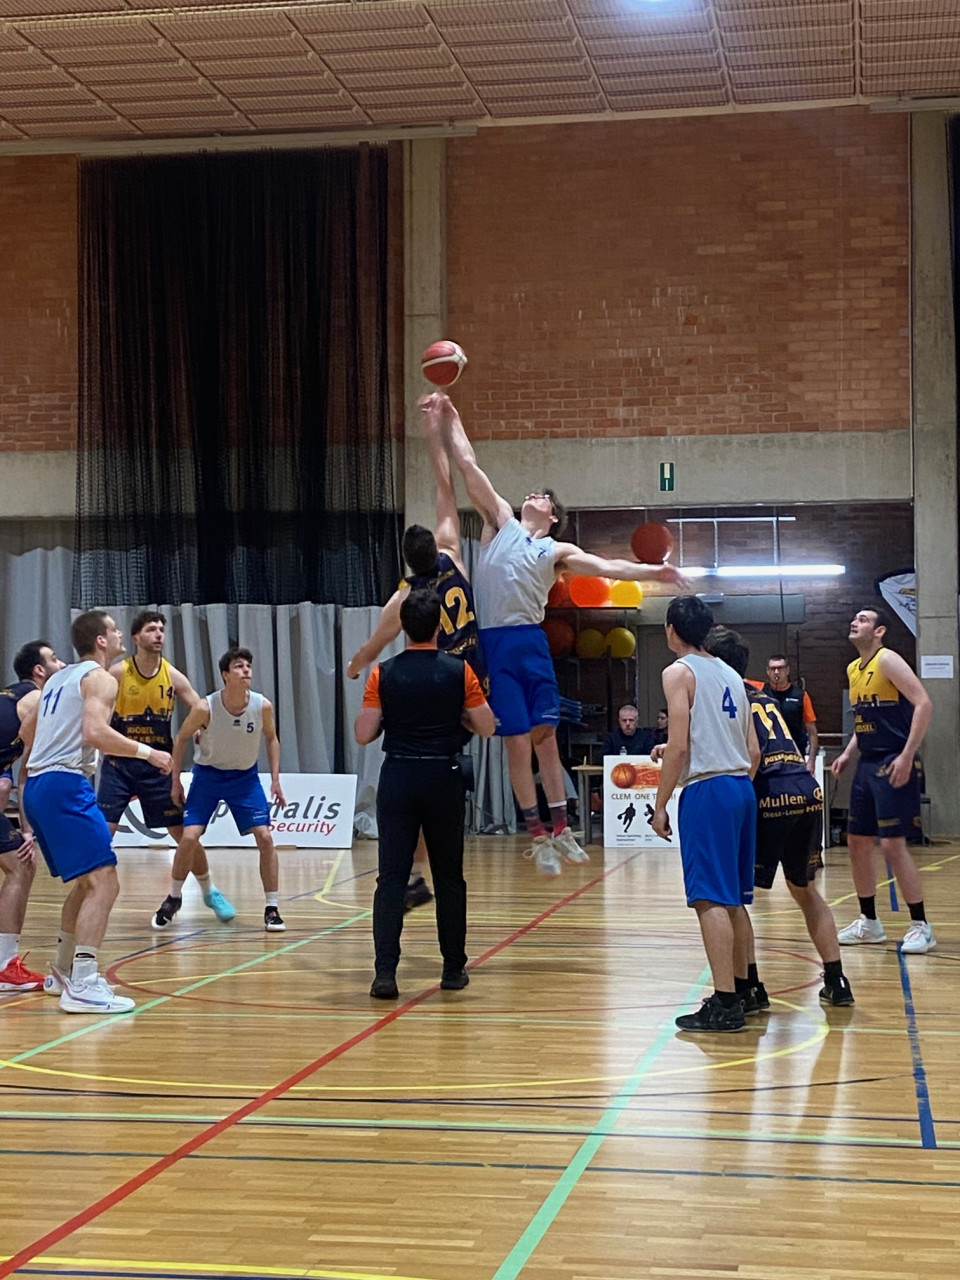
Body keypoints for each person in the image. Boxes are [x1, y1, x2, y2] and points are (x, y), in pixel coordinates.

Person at [436, 390, 686, 876]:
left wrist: (654, 572)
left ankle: (562, 827)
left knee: (546, 736)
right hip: (494, 645)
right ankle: (537, 836)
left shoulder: (556, 551)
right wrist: (453, 415)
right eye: (532, 493)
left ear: (552, 516)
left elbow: (608, 566)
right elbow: (467, 465)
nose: (533, 495)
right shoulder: (501, 522)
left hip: (530, 642)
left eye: (543, 497)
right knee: (515, 742)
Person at [348, 398, 487, 912]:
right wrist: (437, 431)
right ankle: (422, 871)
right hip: (475, 681)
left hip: (439, 687)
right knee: (442, 776)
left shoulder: (403, 599)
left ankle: (410, 872)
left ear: (406, 562)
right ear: (436, 547)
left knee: (418, 774)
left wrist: (355, 665)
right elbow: (446, 487)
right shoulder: (454, 557)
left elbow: (374, 646)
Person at [19, 611, 172, 1013]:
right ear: (101, 641)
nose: (120, 633)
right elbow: (94, 733)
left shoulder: (58, 679)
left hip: (39, 785)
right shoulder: (101, 678)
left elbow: (26, 731)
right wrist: (150, 753)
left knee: (88, 883)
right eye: (114, 629)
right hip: (64, 784)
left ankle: (63, 971)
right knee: (105, 882)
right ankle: (84, 984)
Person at [355, 589, 495, 998]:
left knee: (391, 879)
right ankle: (453, 969)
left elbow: (363, 733)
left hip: (399, 775)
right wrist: (460, 717)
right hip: (443, 776)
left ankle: (385, 974)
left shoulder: (383, 673)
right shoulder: (460, 671)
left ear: (403, 628)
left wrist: (390, 719)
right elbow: (487, 726)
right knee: (449, 877)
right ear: (439, 626)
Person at [706, 627, 854, 1007]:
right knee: (805, 890)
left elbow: (752, 754)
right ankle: (837, 980)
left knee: (733, 898)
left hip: (771, 791)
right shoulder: (762, 695)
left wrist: (741, 795)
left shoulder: (728, 694)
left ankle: (750, 987)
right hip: (806, 788)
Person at [651, 596, 760, 1034]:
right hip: (740, 787)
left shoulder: (679, 672)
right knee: (732, 898)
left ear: (671, 629)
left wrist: (660, 804)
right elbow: (751, 749)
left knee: (709, 899)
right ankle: (746, 989)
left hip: (709, 788)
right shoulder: (732, 673)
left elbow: (678, 746)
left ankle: (725, 1002)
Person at [98, 610, 235, 930]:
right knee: (102, 833)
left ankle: (209, 891)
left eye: (161, 629)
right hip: (119, 765)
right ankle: (91, 893)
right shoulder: (118, 673)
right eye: (151, 629)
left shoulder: (172, 676)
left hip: (157, 766)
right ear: (136, 638)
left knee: (184, 835)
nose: (159, 634)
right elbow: (98, 716)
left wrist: (200, 729)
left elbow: (201, 707)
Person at [831, 607, 935, 953]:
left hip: (894, 759)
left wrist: (907, 755)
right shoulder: (853, 669)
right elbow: (866, 719)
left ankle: (921, 925)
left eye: (863, 619)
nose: (854, 622)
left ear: (879, 631)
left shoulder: (888, 660)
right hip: (867, 763)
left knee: (891, 845)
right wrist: (848, 753)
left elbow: (924, 704)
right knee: (857, 842)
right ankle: (869, 923)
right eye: (854, 618)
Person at [163, 647, 286, 931]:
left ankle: (272, 908)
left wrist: (276, 779)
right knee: (189, 837)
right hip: (208, 776)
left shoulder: (262, 706)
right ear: (225, 675)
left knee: (266, 838)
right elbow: (180, 739)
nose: (246, 671)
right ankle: (174, 897)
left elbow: (271, 739)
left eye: (248, 666)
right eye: (239, 666)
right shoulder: (205, 707)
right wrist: (175, 781)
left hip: (244, 778)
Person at [0, 640, 66, 992]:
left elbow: (12, 777)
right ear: (39, 670)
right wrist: (28, 831)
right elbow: (30, 771)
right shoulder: (39, 700)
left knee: (18, 863)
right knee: (21, 865)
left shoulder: (10, 697)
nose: (62, 663)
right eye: (54, 659)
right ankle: (4, 967)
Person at [763, 654, 819, 774]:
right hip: (768, 759)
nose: (776, 672)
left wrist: (811, 761)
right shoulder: (760, 693)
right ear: (768, 671)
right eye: (773, 669)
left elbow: (812, 732)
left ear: (787, 670)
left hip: (794, 758)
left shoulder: (800, 695)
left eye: (780, 668)